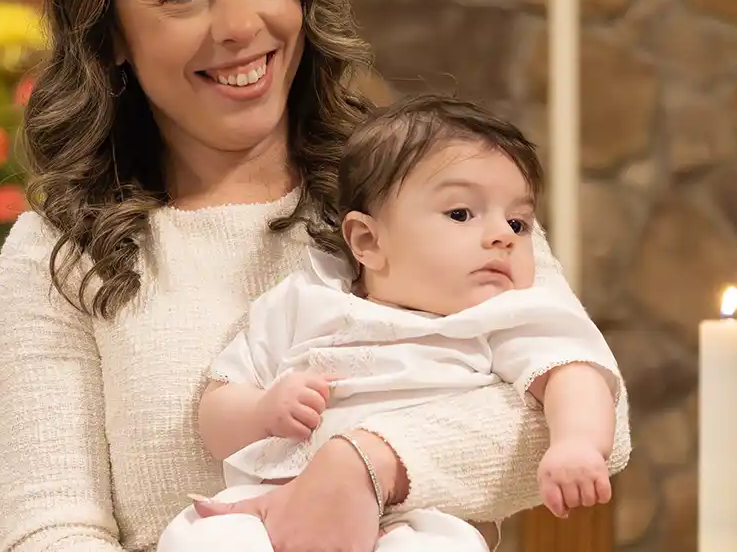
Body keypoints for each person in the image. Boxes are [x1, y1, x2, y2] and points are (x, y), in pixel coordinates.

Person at [0, 0, 631, 552]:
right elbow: (49, 531)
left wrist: (366, 461)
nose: (238, 25)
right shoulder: (61, 253)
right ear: (109, 32)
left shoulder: (431, 187)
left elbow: (584, 412)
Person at [158, 95, 622, 552]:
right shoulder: (303, 301)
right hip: (270, 506)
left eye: (519, 223)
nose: (503, 235)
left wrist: (576, 443)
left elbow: (574, 374)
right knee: (199, 534)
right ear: (367, 241)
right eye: (461, 213)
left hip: (416, 518)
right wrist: (262, 411)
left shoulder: (503, 314)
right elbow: (216, 414)